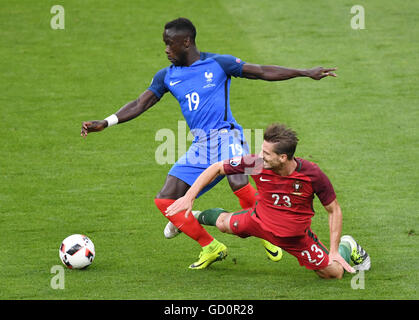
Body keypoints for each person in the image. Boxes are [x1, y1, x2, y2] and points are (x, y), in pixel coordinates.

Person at [80, 17, 338, 270]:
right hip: (201, 145)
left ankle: (267, 235)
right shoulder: (166, 76)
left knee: (238, 179)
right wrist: (106, 121)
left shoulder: (218, 63)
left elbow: (260, 71)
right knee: (165, 201)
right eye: (165, 44)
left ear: (187, 41)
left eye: (170, 44)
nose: (166, 50)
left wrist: (304, 73)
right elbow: (140, 103)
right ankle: (210, 246)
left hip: (227, 136)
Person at [166, 123, 371, 278]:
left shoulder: (312, 174)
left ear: (283, 157)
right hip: (258, 221)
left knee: (333, 273)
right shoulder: (256, 163)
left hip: (296, 239)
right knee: (222, 224)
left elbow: (333, 210)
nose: (260, 156)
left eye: (266, 153)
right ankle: (192, 216)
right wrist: (189, 196)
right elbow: (218, 167)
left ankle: (348, 245)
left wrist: (334, 250)